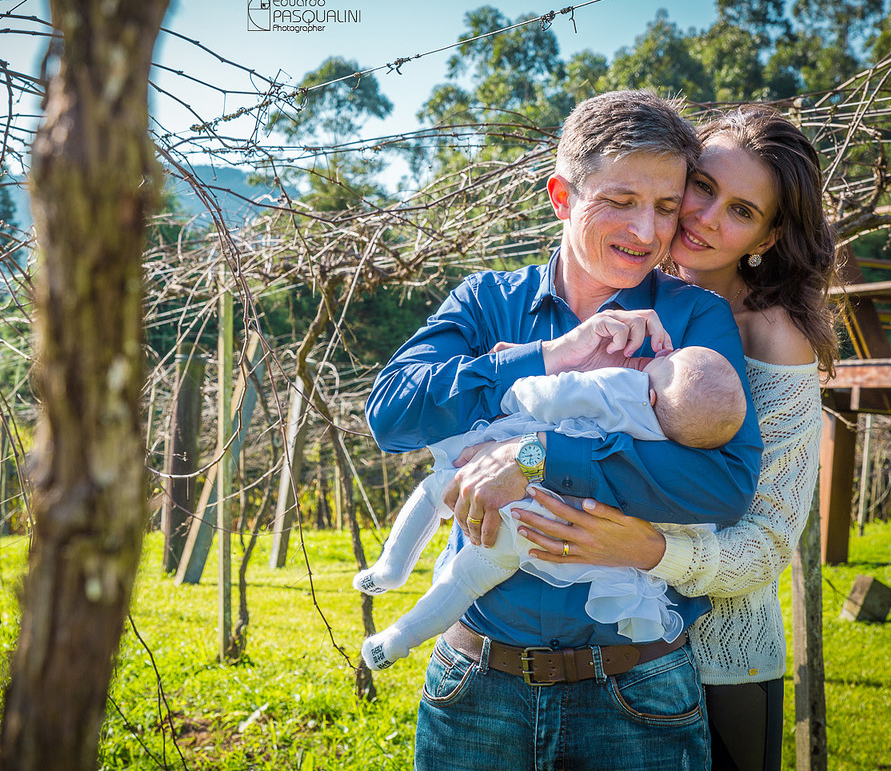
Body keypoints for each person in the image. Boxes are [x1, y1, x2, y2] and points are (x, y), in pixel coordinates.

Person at [365, 89, 763, 771]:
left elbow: (724, 486)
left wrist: (543, 454)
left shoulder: (694, 322)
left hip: (637, 691)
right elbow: (392, 413)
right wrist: (552, 355)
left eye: (667, 207)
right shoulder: (488, 303)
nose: (647, 231)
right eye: (621, 200)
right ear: (561, 197)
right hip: (473, 684)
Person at [513, 104, 838, 771]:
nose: (705, 217)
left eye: (742, 211)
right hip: (606, 648)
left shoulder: (772, 334)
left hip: (716, 659)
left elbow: (768, 541)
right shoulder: (621, 295)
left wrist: (650, 548)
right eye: (703, 186)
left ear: (767, 238)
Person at [356, 341, 746, 671]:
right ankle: (396, 639)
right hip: (540, 533)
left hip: (515, 486)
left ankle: (391, 568)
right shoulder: (675, 452)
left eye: (663, 361)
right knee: (464, 580)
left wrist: (516, 388)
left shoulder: (628, 389)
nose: (653, 359)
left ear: (654, 393)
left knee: (434, 490)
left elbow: (558, 394)